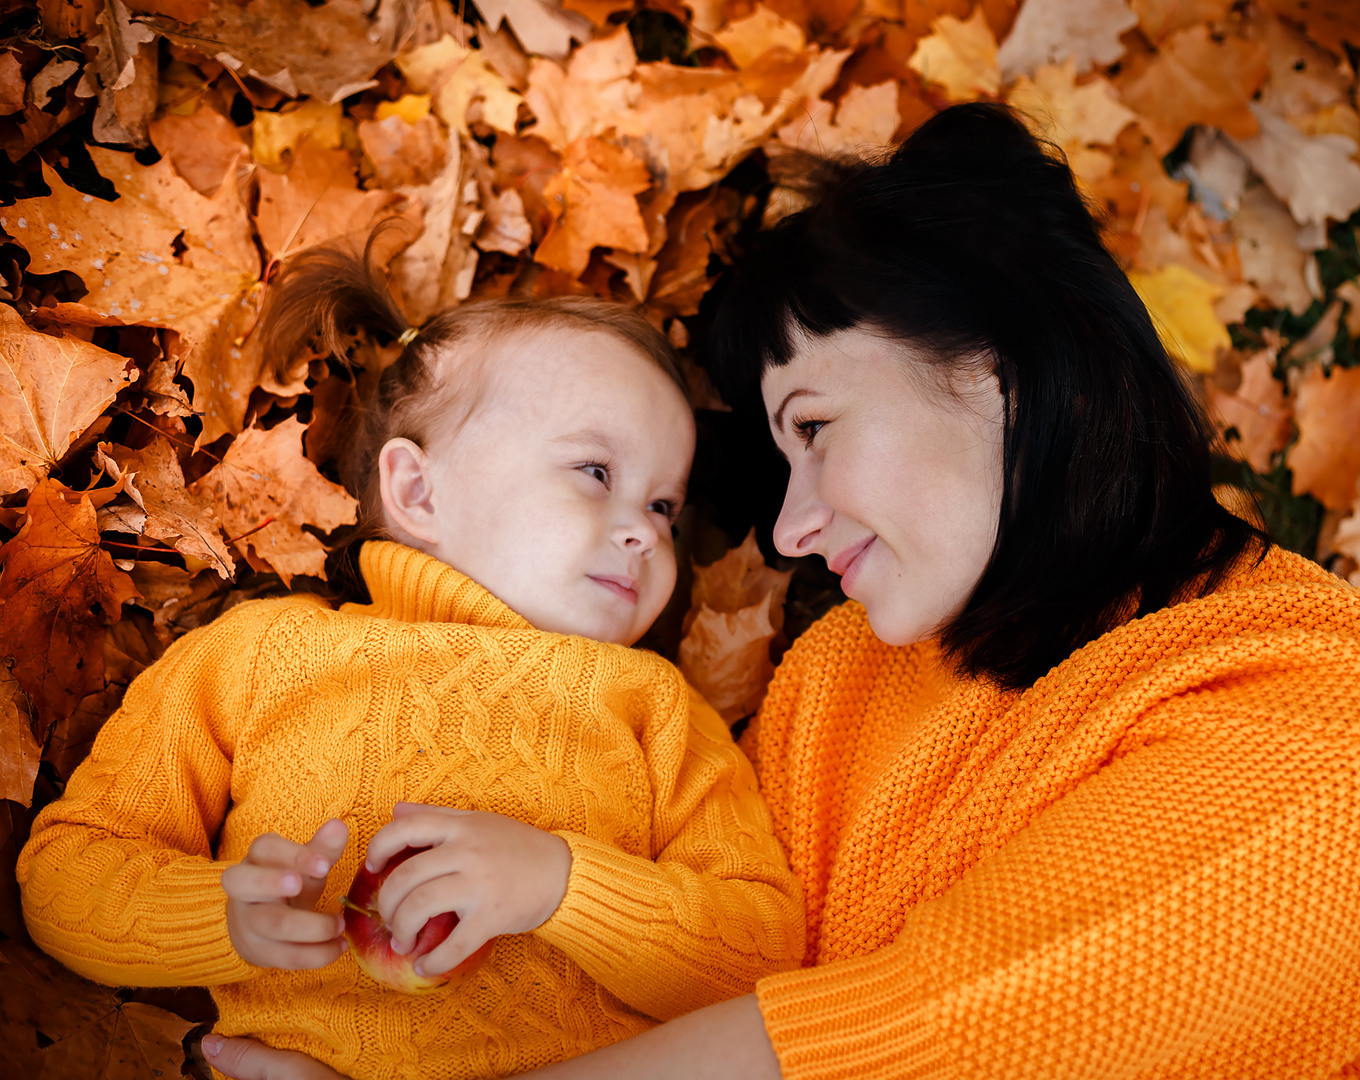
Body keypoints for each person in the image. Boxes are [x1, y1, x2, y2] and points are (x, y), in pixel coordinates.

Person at [201, 103, 1360, 1080]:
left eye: (816, 426)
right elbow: (677, 948)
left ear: (996, 363)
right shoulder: (843, 677)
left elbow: (926, 1035)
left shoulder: (1333, 729)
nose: (793, 523)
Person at [16, 228, 806, 1080]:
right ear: (419, 490)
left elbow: (757, 957)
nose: (642, 532)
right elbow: (66, 878)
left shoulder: (655, 704)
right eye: (594, 471)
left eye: (663, 504)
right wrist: (221, 916)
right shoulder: (258, 654)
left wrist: (566, 886)